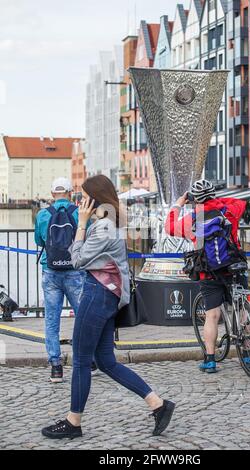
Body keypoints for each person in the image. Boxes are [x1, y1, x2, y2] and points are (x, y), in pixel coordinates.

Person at [41, 175, 175, 440]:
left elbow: (76, 260)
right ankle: (157, 404)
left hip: (97, 294)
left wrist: (80, 225)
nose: (80, 202)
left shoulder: (102, 228)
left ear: (94, 200)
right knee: (106, 361)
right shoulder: (110, 224)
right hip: (107, 295)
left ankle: (73, 421)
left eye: (83, 197)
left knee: (80, 359)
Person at [165, 179, 248, 374]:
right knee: (242, 309)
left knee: (212, 315)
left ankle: (210, 360)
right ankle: (247, 352)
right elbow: (241, 203)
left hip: (208, 271)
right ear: (213, 194)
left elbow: (168, 227)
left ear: (194, 199)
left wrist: (179, 204)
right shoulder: (229, 211)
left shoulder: (191, 219)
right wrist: (216, 200)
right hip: (234, 267)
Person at [35, 178, 87, 383]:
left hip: (50, 271)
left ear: (52, 193)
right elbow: (86, 237)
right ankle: (87, 359)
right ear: (70, 191)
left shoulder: (42, 214)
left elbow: (39, 240)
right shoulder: (78, 212)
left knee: (51, 320)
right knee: (83, 317)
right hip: (75, 270)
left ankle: (56, 367)